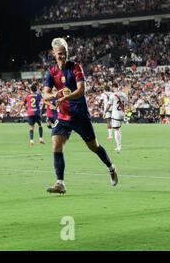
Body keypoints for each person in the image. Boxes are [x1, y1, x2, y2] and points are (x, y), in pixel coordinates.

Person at [43, 38, 118, 194]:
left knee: (94, 147)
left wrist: (64, 98)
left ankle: (111, 168)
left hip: (79, 116)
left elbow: (81, 90)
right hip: (63, 117)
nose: (62, 56)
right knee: (56, 144)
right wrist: (55, 95)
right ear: (53, 54)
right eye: (59, 54)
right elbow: (45, 94)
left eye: (64, 53)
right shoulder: (51, 72)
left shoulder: (75, 67)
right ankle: (60, 183)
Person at [106, 83, 128, 152]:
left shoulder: (112, 95)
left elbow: (109, 105)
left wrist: (105, 111)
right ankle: (119, 145)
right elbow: (126, 103)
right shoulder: (124, 94)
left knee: (116, 129)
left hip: (116, 114)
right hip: (122, 113)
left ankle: (119, 146)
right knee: (118, 129)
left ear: (113, 87)